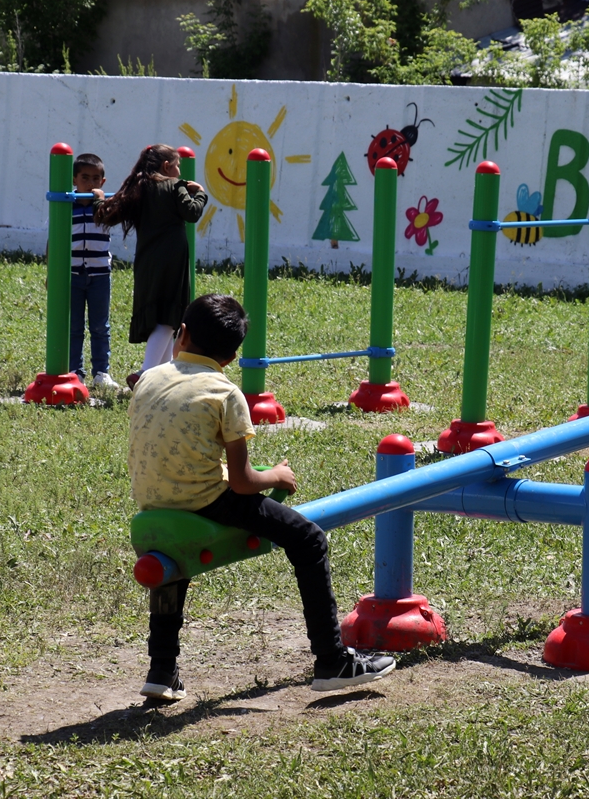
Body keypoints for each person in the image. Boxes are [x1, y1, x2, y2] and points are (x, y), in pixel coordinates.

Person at [128, 294, 396, 700]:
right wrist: (277, 475)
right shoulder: (225, 393)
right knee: (308, 539)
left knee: (173, 558)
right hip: (206, 500)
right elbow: (241, 482)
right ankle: (332, 659)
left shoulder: (150, 377)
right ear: (233, 357)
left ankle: (161, 670)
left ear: (181, 335)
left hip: (152, 502)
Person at [94, 144, 208, 389]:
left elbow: (108, 215)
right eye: (177, 166)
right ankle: (146, 373)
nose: (179, 171)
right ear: (166, 166)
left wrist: (99, 202)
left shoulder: (139, 188)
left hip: (147, 259)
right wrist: (199, 194)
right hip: (173, 260)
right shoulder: (174, 186)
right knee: (168, 317)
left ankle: (161, 376)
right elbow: (191, 213)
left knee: (162, 315)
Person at [65, 153, 120, 390]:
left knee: (100, 326)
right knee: (74, 326)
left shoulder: (106, 207)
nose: (90, 183)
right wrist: (52, 271)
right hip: (72, 274)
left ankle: (101, 372)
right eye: (85, 178)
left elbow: (112, 219)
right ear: (74, 179)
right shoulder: (66, 205)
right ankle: (75, 372)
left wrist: (100, 201)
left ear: (103, 183)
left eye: (96, 179)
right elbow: (54, 241)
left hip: (99, 275)